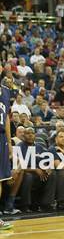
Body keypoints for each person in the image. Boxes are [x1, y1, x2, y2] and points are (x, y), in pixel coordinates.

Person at [0, 82, 12, 230]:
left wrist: (9, 143)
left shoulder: (6, 91)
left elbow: (7, 118)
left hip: (2, 138)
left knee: (1, 179)